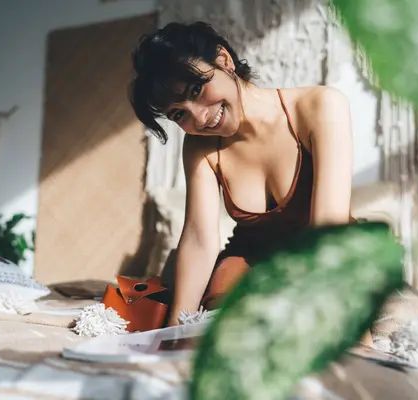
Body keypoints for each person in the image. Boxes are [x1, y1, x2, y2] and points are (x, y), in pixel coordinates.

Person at [129, 22, 355, 327]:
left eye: (196, 90)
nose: (200, 117)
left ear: (224, 60)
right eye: (178, 114)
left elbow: (328, 228)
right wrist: (172, 330)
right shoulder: (200, 147)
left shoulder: (320, 106)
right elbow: (199, 239)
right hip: (248, 261)